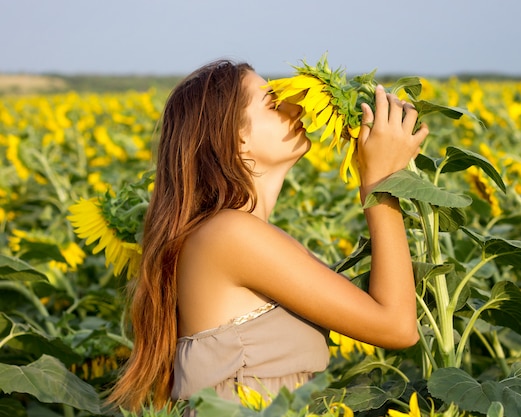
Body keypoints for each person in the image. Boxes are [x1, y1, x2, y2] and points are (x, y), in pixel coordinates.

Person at [107, 59, 429, 412]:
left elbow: (384, 313)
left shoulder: (247, 234)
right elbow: (397, 327)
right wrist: (380, 184)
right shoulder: (229, 234)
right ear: (238, 139)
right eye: (273, 102)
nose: (297, 105)